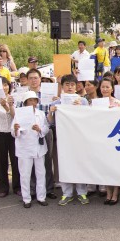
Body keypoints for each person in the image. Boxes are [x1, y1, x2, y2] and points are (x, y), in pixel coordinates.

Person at [47, 74, 91, 206]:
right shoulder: (56, 103)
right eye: (67, 84)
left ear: (76, 87)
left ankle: (82, 191)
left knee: (80, 164)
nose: (70, 87)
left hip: (79, 138)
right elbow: (50, 122)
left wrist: (81, 109)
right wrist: (51, 112)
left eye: (72, 84)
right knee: (64, 165)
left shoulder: (82, 101)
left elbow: (89, 118)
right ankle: (67, 193)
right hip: (62, 139)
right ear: (63, 86)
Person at [13, 91, 50, 208]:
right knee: (25, 174)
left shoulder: (41, 114)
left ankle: (41, 197)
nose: (33, 103)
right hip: (24, 148)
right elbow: (13, 133)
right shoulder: (18, 114)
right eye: (30, 100)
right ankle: (26, 199)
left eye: (34, 100)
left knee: (41, 173)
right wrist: (16, 129)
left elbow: (46, 128)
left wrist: (40, 129)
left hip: (39, 148)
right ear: (25, 102)